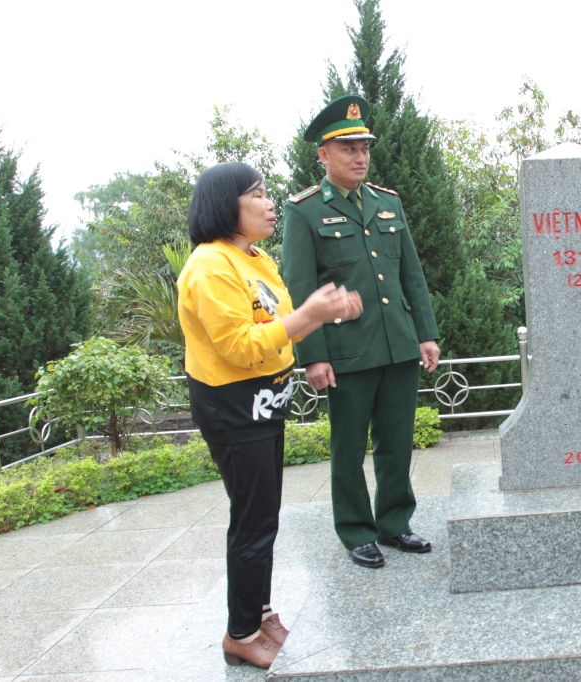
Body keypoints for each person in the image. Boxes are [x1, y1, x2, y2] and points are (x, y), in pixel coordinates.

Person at [177, 162, 363, 668]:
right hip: (234, 407)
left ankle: (258, 610)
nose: (268, 202)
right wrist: (308, 318)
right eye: (256, 195)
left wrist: (320, 314)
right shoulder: (210, 266)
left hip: (265, 403)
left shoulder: (254, 259)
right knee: (253, 522)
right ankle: (240, 633)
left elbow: (276, 325)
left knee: (263, 516)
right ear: (225, 205)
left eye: (265, 193)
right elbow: (239, 345)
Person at [282, 94, 441, 569]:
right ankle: (356, 531)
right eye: (348, 148)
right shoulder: (305, 212)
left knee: (397, 440)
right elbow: (300, 288)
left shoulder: (387, 203)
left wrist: (425, 333)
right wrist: (313, 356)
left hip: (396, 343)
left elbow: (411, 274)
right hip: (346, 351)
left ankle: (394, 523)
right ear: (323, 155)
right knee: (348, 447)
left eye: (364, 147)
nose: (360, 157)